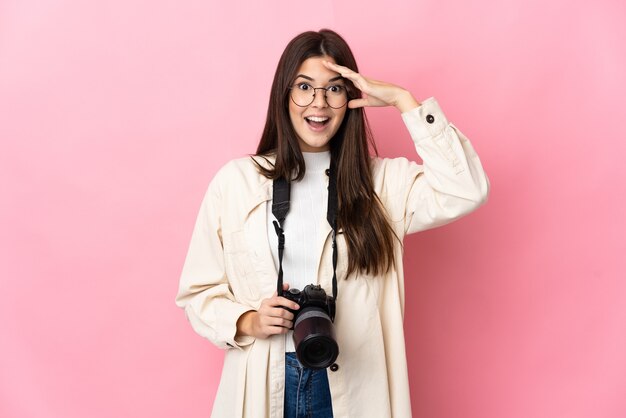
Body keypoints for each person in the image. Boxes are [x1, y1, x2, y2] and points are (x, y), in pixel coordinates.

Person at [175, 29, 489, 418]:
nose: (318, 103)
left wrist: (402, 101)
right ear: (283, 95)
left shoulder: (382, 184)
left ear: (351, 97)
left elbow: (467, 189)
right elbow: (196, 292)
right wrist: (248, 320)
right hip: (265, 380)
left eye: (334, 89)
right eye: (304, 87)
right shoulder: (236, 182)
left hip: (354, 385)